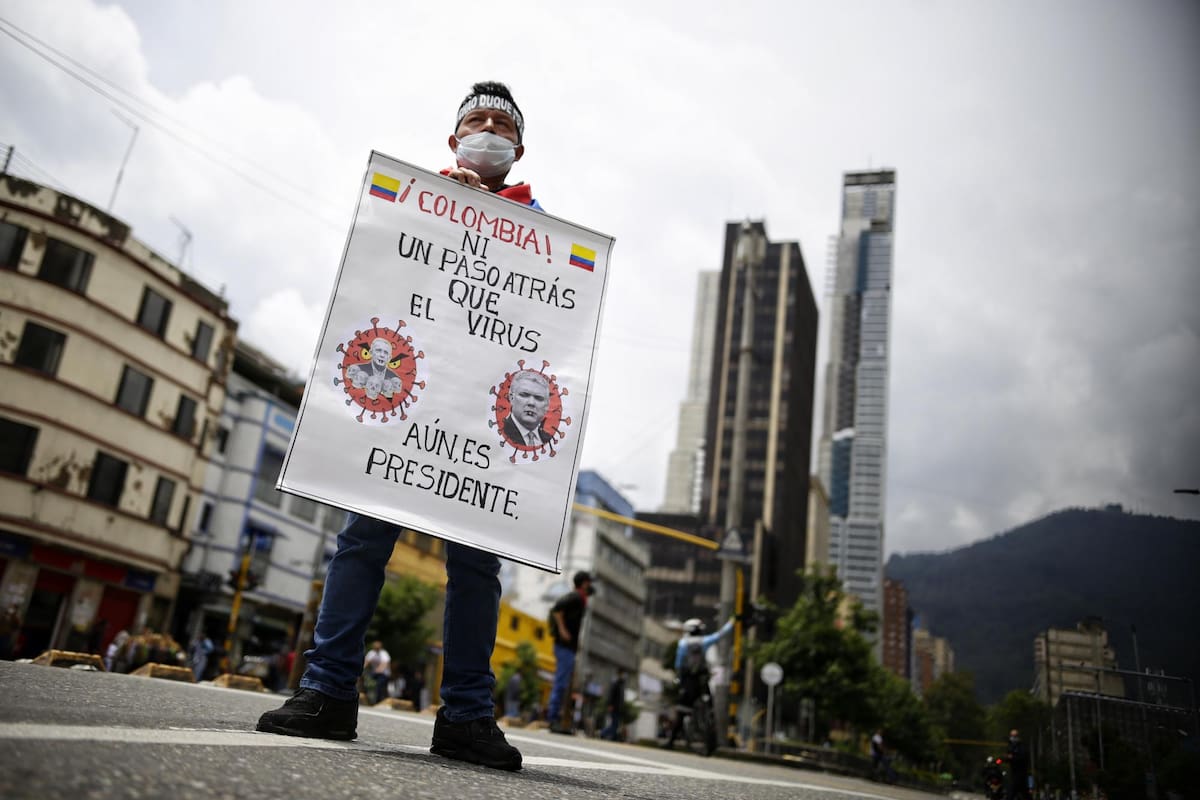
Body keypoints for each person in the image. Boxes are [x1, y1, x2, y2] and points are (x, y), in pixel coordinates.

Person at [255, 81, 542, 772]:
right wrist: (447, 208)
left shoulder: (542, 232)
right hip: (404, 409)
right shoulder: (418, 202)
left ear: (519, 147)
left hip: (476, 428)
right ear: (454, 139)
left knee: (476, 567)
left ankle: (467, 716)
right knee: (360, 540)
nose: (488, 129)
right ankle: (327, 692)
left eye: (500, 123)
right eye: (476, 120)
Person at [663, 616, 733, 749]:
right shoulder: (704, 641)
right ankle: (711, 727)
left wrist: (679, 678)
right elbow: (720, 635)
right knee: (710, 704)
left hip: (688, 681)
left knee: (682, 711)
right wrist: (732, 622)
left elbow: (679, 663)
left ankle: (671, 742)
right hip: (702, 679)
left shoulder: (683, 643)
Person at [547, 570, 594, 733]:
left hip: (569, 647)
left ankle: (559, 721)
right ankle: (553, 719)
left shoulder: (581, 599)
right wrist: (562, 630)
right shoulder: (575, 597)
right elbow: (556, 609)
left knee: (564, 684)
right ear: (584, 583)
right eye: (589, 582)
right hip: (564, 646)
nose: (591, 586)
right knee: (560, 683)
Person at [502, 371, 553, 447]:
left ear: (546, 405)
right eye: (524, 395)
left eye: (538, 398)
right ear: (511, 398)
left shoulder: (550, 441)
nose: (531, 403)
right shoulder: (501, 433)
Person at [600, 668, 627, 741]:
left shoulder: (622, 684)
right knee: (614, 724)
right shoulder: (616, 683)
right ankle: (603, 733)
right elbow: (611, 695)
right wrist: (610, 705)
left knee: (616, 724)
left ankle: (611, 737)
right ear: (619, 674)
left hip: (618, 708)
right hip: (614, 707)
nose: (624, 676)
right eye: (622, 674)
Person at [364, 640, 391, 705]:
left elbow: (384, 664)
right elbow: (367, 662)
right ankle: (367, 698)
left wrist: (379, 669)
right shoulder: (371, 653)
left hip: (384, 673)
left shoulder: (384, 653)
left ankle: (378, 701)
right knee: (367, 683)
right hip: (375, 673)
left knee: (380, 686)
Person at [1006, 729, 1030, 800]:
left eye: (1015, 736)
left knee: (1011, 793)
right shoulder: (1010, 746)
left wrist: (1013, 757)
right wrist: (998, 760)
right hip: (1014, 774)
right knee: (1024, 794)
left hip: (1021, 774)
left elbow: (1022, 758)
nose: (1013, 737)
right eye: (1012, 736)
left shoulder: (1021, 747)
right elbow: (1007, 758)